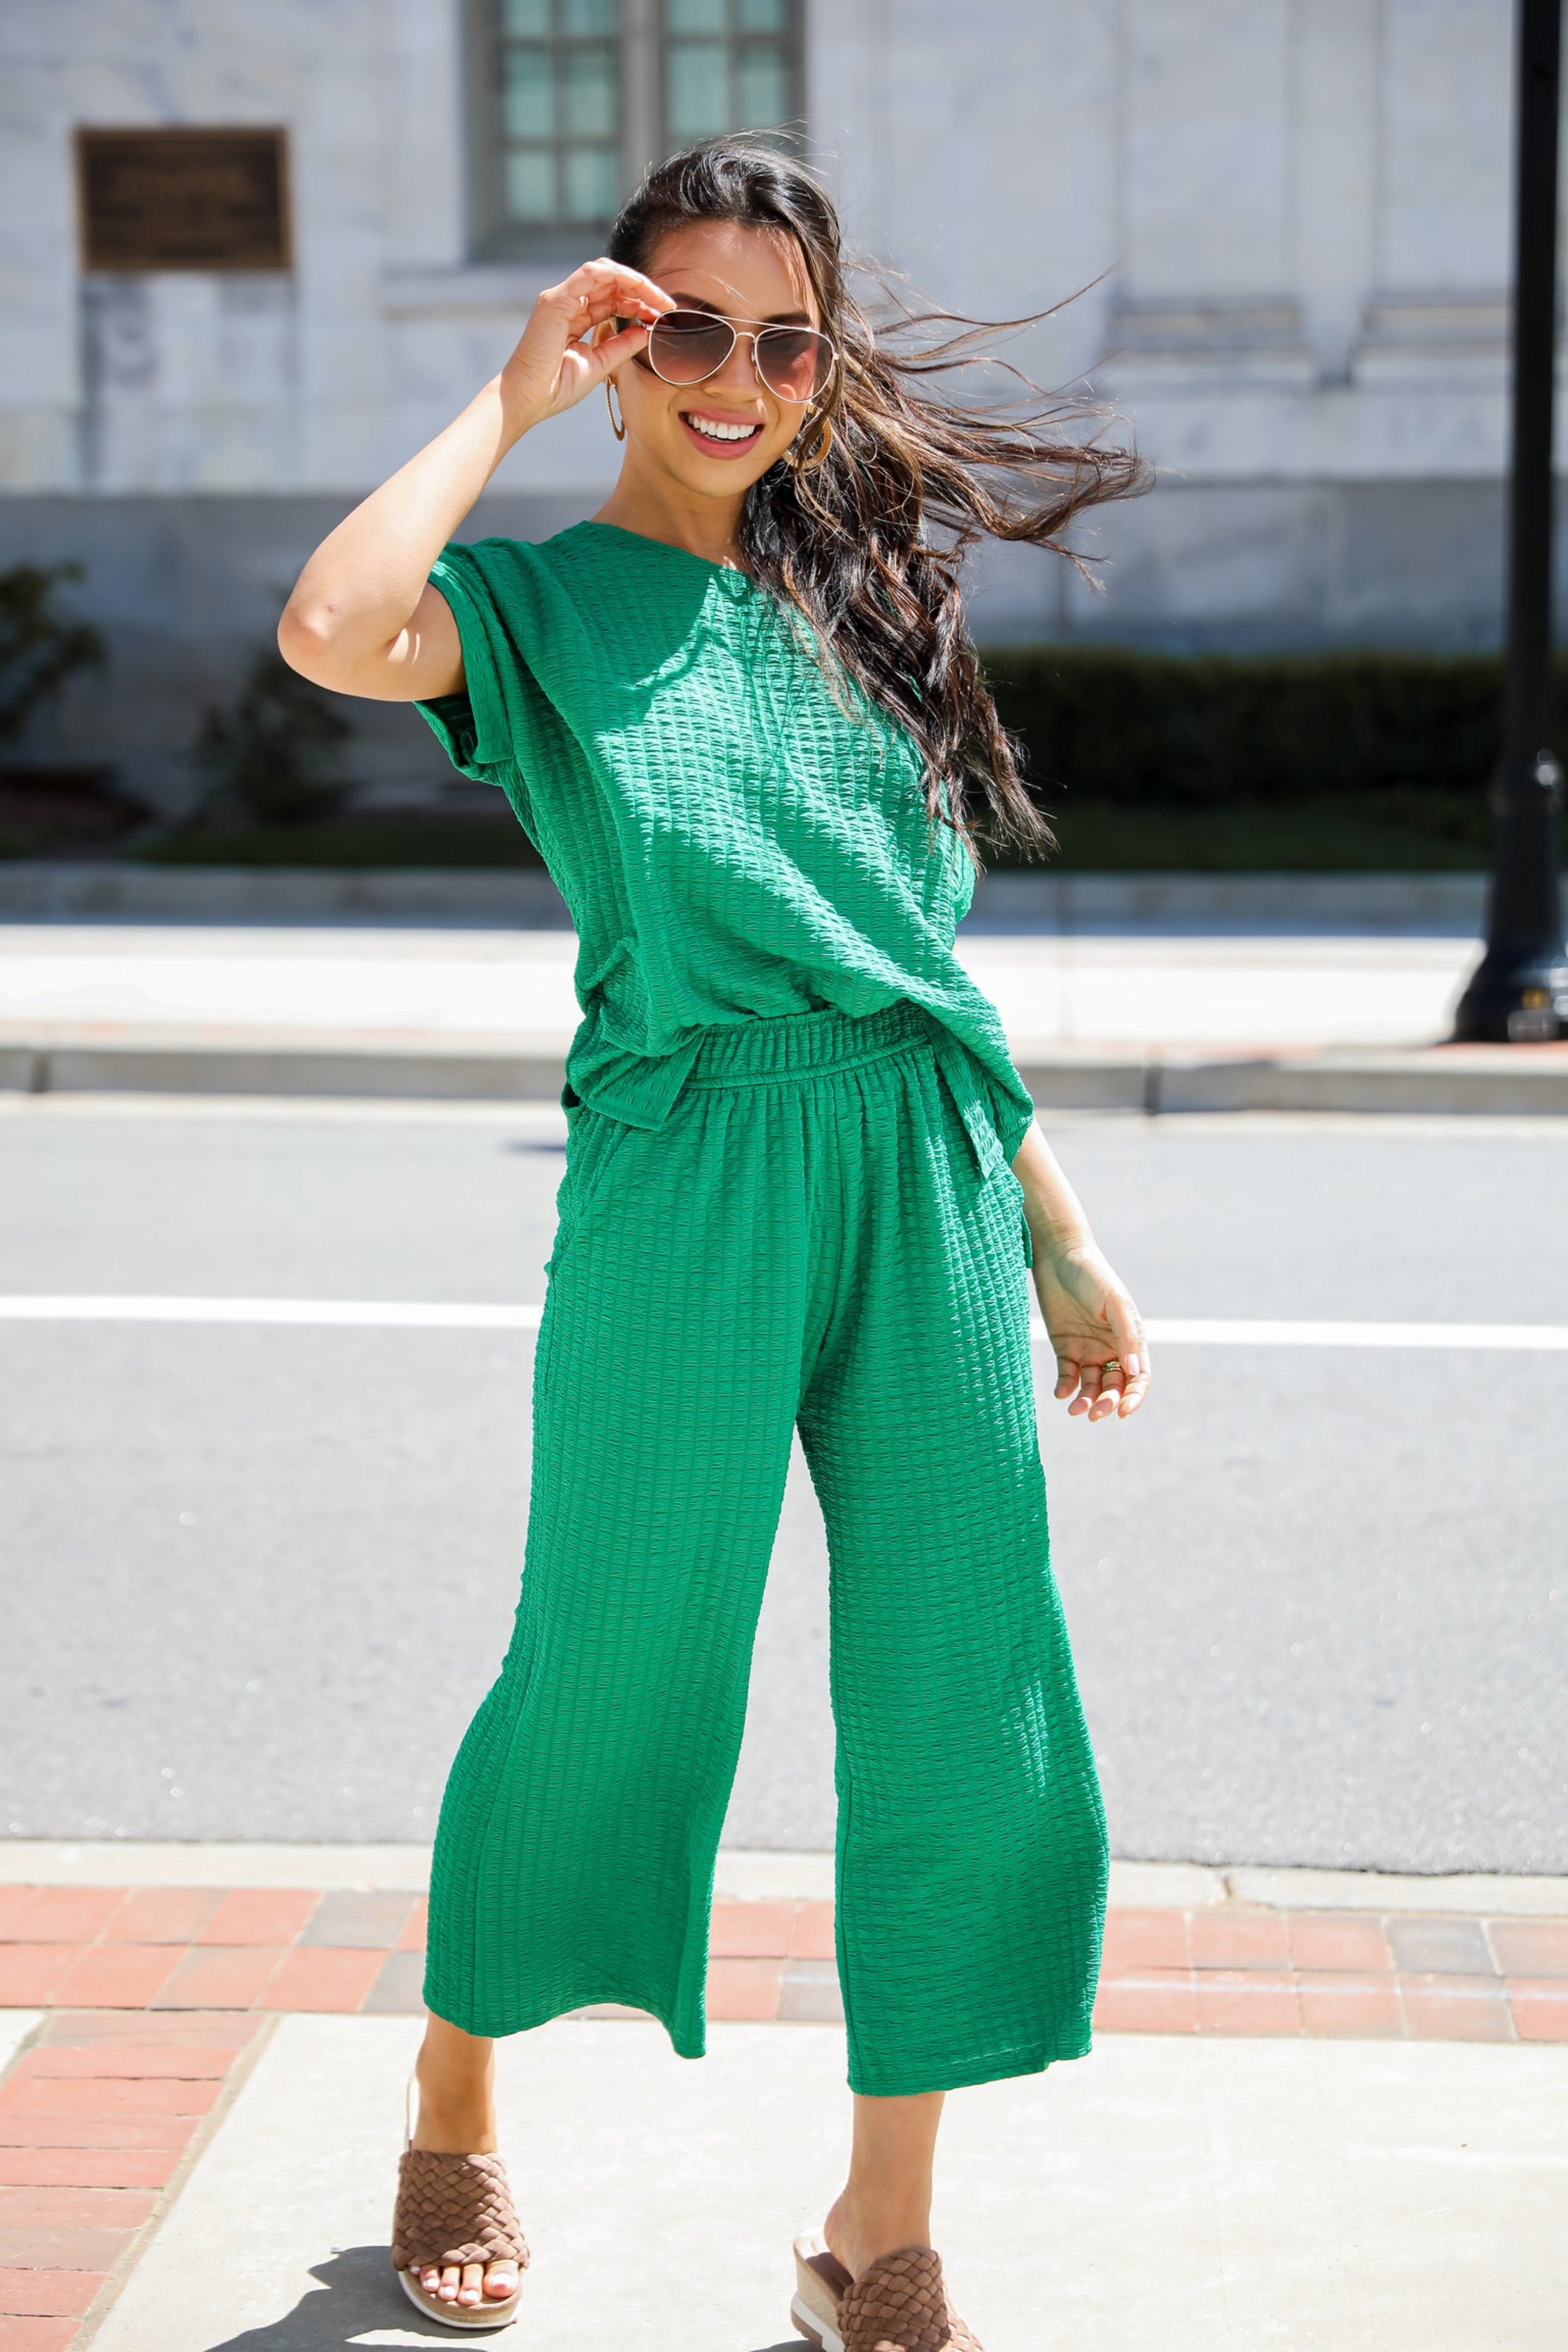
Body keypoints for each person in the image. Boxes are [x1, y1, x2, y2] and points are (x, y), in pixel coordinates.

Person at [280, 137, 1150, 2352]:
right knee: (616, 1664)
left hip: (929, 1168)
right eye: (685, 328)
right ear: (620, 334)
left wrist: (1055, 1230)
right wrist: (505, 400)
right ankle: (454, 2092)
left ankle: (879, 2224)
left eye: (782, 335)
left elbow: (924, 959)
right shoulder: (548, 610)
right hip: (687, 1171)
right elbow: (331, 628)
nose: (738, 375)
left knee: (969, 1684)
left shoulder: (882, 597)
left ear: (819, 355)